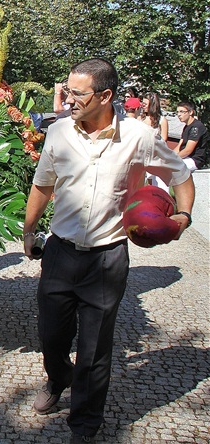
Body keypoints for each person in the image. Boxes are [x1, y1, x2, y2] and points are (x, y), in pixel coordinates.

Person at [23, 58, 195, 443]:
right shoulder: (58, 133)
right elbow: (43, 186)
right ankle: (58, 376)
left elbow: (180, 175)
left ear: (105, 96)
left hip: (107, 257)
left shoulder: (139, 136)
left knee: (95, 348)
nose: (67, 99)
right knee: (52, 336)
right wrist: (29, 229)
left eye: (76, 93)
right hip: (60, 253)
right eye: (66, 91)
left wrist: (182, 217)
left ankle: (84, 425)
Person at [175, 101, 207, 171]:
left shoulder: (197, 127)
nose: (179, 114)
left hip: (194, 160)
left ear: (191, 112)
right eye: (177, 112)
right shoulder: (186, 127)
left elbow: (188, 150)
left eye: (181, 111)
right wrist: (168, 156)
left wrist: (173, 159)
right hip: (184, 158)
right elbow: (179, 147)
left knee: (168, 168)